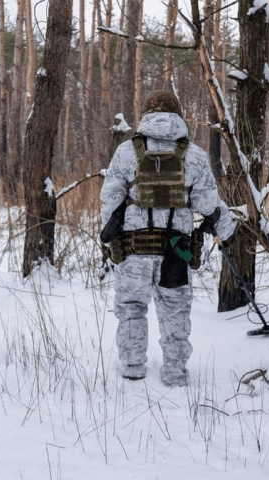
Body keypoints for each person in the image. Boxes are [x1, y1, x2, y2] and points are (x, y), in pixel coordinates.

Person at [100, 90, 237, 386]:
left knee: (132, 309)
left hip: (133, 250)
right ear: (178, 113)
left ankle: (133, 367)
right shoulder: (195, 155)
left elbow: (110, 200)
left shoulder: (126, 152)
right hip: (176, 251)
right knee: (175, 313)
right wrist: (226, 231)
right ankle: (175, 373)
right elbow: (209, 204)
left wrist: (108, 241)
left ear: (145, 114)